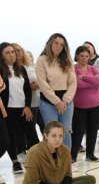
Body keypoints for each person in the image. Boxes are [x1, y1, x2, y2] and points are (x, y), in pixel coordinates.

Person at [21, 121, 95, 184]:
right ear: (46, 136)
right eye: (53, 135)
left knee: (90, 180)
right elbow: (34, 181)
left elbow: (68, 174)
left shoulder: (65, 150)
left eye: (60, 136)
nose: (57, 139)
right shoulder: (34, 152)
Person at [36, 33, 77, 150]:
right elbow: (43, 84)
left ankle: (65, 160)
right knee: (53, 133)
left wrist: (65, 100)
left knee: (66, 131)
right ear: (50, 43)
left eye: (62, 45)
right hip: (48, 101)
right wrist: (57, 102)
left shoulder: (67, 60)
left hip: (66, 101)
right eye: (56, 43)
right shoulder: (42, 60)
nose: (58, 46)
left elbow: (73, 82)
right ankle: (52, 162)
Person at [0, 42, 37, 174]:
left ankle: (36, 161)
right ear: (2, 56)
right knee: (11, 136)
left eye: (13, 52)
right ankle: (15, 162)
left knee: (32, 135)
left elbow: (27, 90)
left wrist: (27, 106)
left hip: (23, 108)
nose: (11, 55)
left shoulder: (21, 69)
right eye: (7, 53)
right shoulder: (1, 71)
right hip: (7, 110)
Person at [71, 46, 99, 162]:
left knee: (92, 130)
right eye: (82, 56)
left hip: (97, 105)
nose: (84, 58)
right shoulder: (73, 69)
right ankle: (73, 155)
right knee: (78, 131)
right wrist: (93, 82)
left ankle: (90, 154)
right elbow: (77, 85)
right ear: (77, 56)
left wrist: (84, 77)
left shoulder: (93, 68)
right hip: (80, 106)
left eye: (86, 56)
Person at [13, 43, 43, 144]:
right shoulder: (13, 69)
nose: (17, 52)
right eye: (14, 51)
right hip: (25, 104)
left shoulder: (32, 65)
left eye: (19, 50)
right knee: (30, 131)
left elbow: (42, 79)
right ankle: (30, 153)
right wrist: (28, 87)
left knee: (45, 127)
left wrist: (38, 84)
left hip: (38, 101)